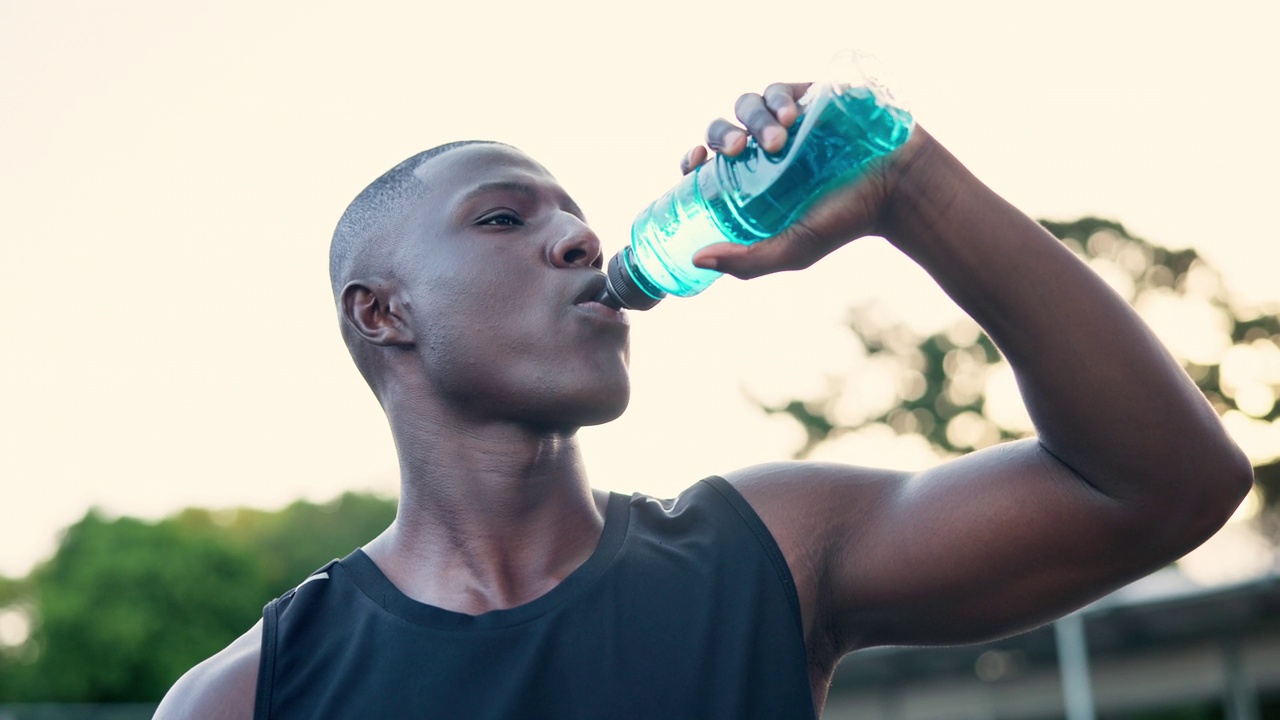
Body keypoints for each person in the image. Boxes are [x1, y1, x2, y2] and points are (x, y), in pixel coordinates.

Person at [154, 81, 1252, 719]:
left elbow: (1165, 486)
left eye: (575, 217)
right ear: (380, 313)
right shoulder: (254, 694)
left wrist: (908, 187)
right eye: (502, 219)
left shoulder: (763, 552)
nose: (580, 239)